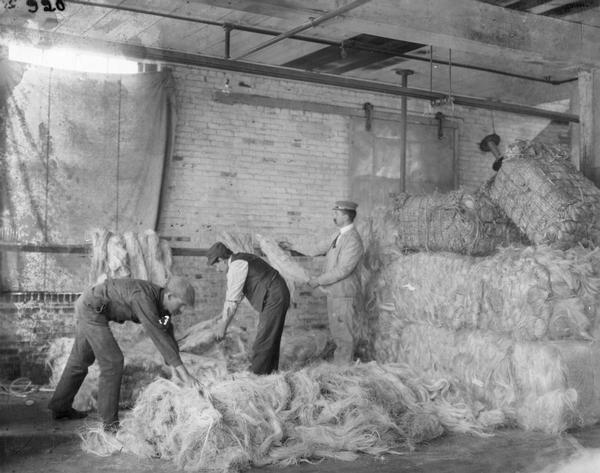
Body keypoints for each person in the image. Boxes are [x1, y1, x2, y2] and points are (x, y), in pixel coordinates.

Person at [48, 276, 200, 433]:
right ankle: (110, 424)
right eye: (181, 305)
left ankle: (60, 407)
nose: (181, 311)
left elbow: (166, 331)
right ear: (170, 296)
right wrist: (186, 376)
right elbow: (157, 334)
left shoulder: (164, 309)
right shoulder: (144, 298)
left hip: (91, 307)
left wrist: (175, 367)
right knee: (113, 363)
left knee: (80, 360)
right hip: (91, 308)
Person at [206, 241, 290, 375]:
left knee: (264, 340)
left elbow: (232, 300)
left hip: (274, 294)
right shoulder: (239, 260)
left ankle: (255, 378)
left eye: (215, 265)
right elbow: (233, 298)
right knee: (270, 338)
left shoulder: (236, 265)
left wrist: (223, 325)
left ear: (221, 260)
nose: (217, 270)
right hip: (276, 293)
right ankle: (270, 375)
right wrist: (224, 321)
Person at [308, 200, 364, 364]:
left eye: (336, 214)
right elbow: (318, 247)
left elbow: (343, 270)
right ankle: (340, 368)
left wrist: (318, 281)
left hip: (344, 294)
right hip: (335, 293)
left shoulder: (353, 240)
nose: (334, 216)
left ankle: (344, 372)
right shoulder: (339, 235)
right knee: (338, 333)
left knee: (344, 336)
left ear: (346, 216)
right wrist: (291, 247)